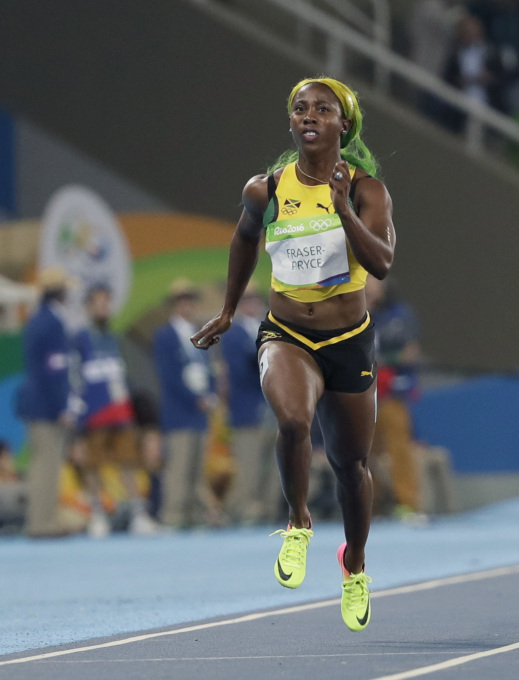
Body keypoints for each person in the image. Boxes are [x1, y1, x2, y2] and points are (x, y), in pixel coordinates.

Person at [191, 76, 395, 632]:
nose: (310, 115)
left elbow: (381, 263)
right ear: (291, 122)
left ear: (342, 125)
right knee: (292, 418)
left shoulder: (365, 189)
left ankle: (354, 565)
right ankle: (298, 522)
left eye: (323, 109)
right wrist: (231, 311)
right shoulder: (266, 188)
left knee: (352, 466)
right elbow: (243, 239)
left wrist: (344, 214)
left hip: (347, 338)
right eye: (301, 108)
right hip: (286, 332)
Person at [74, 283, 158, 537]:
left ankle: (138, 515)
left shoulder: (115, 339)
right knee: (93, 467)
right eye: (98, 303)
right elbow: (75, 379)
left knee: (129, 465)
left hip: (121, 415)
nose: (103, 307)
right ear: (89, 307)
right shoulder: (80, 339)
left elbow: (126, 378)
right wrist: (77, 425)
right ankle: (97, 516)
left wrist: (141, 417)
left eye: (106, 303)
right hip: (94, 415)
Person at [16, 267, 80, 537]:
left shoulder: (38, 319)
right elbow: (54, 369)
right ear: (59, 292)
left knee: (43, 464)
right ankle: (42, 523)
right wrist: (62, 406)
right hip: (46, 406)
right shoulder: (52, 322)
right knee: (47, 466)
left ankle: (42, 519)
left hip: (38, 403)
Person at [153, 278, 219, 528]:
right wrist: (196, 399)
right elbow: (168, 376)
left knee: (196, 468)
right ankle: (174, 516)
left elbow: (210, 369)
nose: (188, 306)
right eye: (183, 301)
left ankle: (193, 515)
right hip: (180, 411)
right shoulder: (165, 336)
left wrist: (210, 394)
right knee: (179, 468)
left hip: (200, 411)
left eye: (191, 301)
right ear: (174, 305)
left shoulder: (199, 332)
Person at [220, 282, 281, 524]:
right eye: (246, 299)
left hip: (272, 405)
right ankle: (244, 508)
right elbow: (239, 371)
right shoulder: (233, 333)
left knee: (274, 461)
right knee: (249, 462)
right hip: (248, 406)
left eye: (255, 299)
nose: (252, 303)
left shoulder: (270, 328)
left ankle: (269, 507)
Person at [365, 276, 424, 519]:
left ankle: (408, 503)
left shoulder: (400, 315)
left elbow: (410, 352)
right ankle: (371, 505)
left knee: (399, 449)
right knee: (364, 452)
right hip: (365, 395)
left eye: (372, 283)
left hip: (392, 394)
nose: (367, 287)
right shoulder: (360, 315)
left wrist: (385, 362)